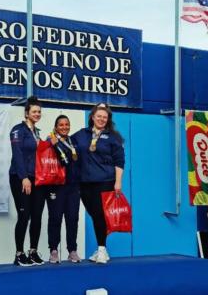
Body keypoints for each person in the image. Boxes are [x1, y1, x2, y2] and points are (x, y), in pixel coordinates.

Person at [72, 104, 125, 264]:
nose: (101, 119)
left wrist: (118, 182)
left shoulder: (113, 137)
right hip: (85, 182)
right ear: (92, 117)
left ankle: (102, 249)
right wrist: (51, 139)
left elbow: (120, 161)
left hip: (105, 181)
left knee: (100, 215)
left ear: (107, 120)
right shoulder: (82, 134)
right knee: (95, 215)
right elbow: (67, 142)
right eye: (99, 116)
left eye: (105, 117)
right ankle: (102, 249)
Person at [9, 96, 46, 266]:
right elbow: (17, 155)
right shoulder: (17, 130)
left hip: (36, 179)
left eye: (39, 111)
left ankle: (33, 251)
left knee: (37, 215)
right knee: (24, 215)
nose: (37, 114)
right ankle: (19, 254)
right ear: (26, 113)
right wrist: (24, 177)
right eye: (34, 111)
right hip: (20, 177)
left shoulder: (37, 132)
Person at [46, 115, 82, 264]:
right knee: (55, 218)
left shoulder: (73, 141)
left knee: (72, 218)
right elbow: (57, 160)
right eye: (61, 125)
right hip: (56, 186)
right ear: (56, 127)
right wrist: (53, 145)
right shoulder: (50, 140)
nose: (64, 127)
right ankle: (53, 250)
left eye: (67, 124)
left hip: (73, 186)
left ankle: (72, 250)